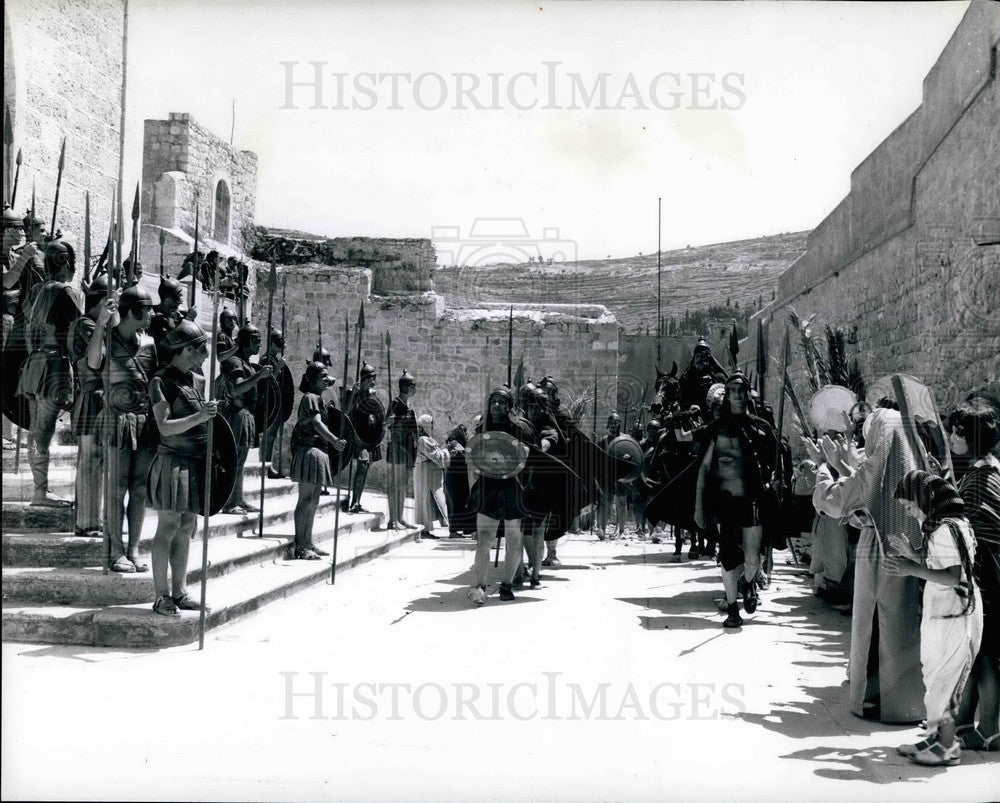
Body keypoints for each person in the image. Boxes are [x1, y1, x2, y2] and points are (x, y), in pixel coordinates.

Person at [812, 407, 925, 722]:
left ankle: (874, 701)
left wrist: (824, 467)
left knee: (874, 621)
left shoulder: (876, 466)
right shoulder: (915, 461)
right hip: (910, 551)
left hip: (877, 552)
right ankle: (907, 700)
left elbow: (832, 499)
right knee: (903, 623)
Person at [889, 470, 983, 766]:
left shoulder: (946, 528)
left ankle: (947, 748)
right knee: (935, 678)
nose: (908, 512)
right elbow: (942, 562)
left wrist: (911, 569)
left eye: (909, 506)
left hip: (954, 614)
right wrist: (913, 555)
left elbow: (954, 575)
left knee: (945, 681)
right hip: (943, 612)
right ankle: (935, 739)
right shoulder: (943, 526)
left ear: (924, 500)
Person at [693, 371, 777, 628]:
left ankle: (749, 583)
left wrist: (774, 480)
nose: (738, 395)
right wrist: (699, 507)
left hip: (752, 501)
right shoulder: (715, 430)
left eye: (742, 391)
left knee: (752, 559)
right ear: (727, 395)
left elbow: (773, 463)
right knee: (729, 557)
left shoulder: (760, 428)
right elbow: (704, 469)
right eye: (733, 391)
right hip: (725, 502)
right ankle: (732, 609)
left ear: (747, 394)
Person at [146, 320, 217, 615]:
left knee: (187, 526)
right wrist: (200, 417)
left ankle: (180, 591)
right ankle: (161, 596)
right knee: (168, 526)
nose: (205, 356)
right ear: (186, 348)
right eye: (201, 350)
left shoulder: (196, 380)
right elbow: (164, 427)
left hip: (193, 462)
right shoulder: (160, 381)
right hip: (171, 461)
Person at [89, 284, 157, 573]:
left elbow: (154, 382)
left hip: (142, 423)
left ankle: (134, 548)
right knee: (116, 490)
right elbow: (94, 362)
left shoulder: (151, 343)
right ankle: (115, 550)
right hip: (116, 421)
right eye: (147, 309)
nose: (152, 313)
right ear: (132, 311)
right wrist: (101, 323)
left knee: (139, 490)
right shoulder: (107, 338)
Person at [948, 398, 1000, 751]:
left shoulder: (982, 478)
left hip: (987, 578)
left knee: (982, 654)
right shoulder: (987, 470)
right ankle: (966, 722)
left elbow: (979, 532)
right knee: (974, 651)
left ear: (971, 437)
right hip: (986, 575)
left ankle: (991, 729)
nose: (952, 436)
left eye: (956, 431)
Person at [18, 239, 82, 506]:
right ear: (67, 262)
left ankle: (39, 488)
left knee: (37, 432)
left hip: (34, 364)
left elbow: (25, 328)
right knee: (42, 432)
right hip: (54, 366)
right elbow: (81, 332)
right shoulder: (66, 292)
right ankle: (40, 491)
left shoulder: (35, 290)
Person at [467, 386, 533, 605]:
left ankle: (506, 584)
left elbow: (525, 458)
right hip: (488, 486)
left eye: (502, 402)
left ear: (509, 406)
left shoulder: (518, 430)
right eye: (493, 401)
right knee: (485, 539)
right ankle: (479, 586)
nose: (496, 405)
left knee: (514, 539)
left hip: (512, 487)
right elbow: (474, 456)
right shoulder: (481, 428)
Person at [289, 361, 347, 559]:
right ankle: (300, 545)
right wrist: (334, 439)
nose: (326, 380)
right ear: (313, 380)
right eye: (322, 377)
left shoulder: (319, 397)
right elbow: (316, 422)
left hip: (318, 452)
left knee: (313, 501)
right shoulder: (311, 397)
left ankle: (308, 542)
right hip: (309, 451)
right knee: (305, 500)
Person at [68, 273, 108, 536]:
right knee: (90, 460)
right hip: (90, 396)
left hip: (95, 396)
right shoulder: (87, 324)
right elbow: (99, 359)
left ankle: (91, 519)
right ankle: (87, 521)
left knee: (94, 460)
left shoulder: (89, 322)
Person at [218, 323, 273, 514]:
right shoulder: (235, 362)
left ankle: (238, 499)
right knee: (234, 460)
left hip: (247, 415)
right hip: (237, 414)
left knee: (241, 461)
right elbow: (238, 388)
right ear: (247, 341)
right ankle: (229, 502)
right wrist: (259, 376)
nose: (259, 345)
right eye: (256, 341)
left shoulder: (246, 362)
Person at [344, 361, 384, 514]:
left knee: (365, 468)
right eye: (372, 378)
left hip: (369, 436)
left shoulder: (372, 394)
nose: (374, 381)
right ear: (366, 379)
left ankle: (358, 501)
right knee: (362, 466)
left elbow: (376, 411)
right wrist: (353, 394)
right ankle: (354, 502)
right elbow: (346, 413)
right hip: (357, 435)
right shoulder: (352, 392)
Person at [386, 370, 418, 529]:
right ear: (405, 387)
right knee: (395, 484)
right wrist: (390, 421)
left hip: (407, 450)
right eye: (413, 385)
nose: (415, 388)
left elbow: (413, 432)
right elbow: (386, 424)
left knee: (403, 484)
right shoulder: (395, 403)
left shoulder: (409, 407)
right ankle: (392, 520)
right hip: (397, 448)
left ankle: (400, 517)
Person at [413, 414, 451, 538]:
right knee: (425, 500)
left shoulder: (425, 439)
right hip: (426, 472)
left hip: (426, 472)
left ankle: (426, 529)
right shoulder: (424, 440)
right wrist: (447, 450)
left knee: (427, 500)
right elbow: (436, 457)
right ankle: (424, 529)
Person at [259, 327, 288, 478]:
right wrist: (278, 367)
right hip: (269, 404)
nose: (280, 347)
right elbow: (268, 382)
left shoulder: (275, 360)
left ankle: (268, 466)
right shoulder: (265, 360)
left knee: (272, 437)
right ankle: (264, 467)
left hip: (276, 403)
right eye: (278, 343)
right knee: (268, 437)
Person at [678, 337, 728, 411]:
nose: (700, 359)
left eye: (703, 356)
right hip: (690, 416)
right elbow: (680, 401)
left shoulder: (719, 378)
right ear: (694, 359)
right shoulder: (686, 379)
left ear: (709, 359)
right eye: (697, 356)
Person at [444, 424, 475, 538]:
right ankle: (453, 531)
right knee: (456, 505)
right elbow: (463, 454)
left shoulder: (456, 443)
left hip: (460, 478)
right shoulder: (454, 443)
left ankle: (466, 529)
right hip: (455, 478)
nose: (467, 435)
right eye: (465, 432)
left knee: (463, 504)